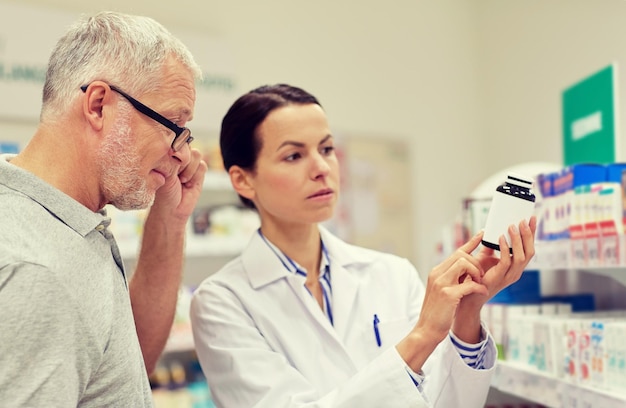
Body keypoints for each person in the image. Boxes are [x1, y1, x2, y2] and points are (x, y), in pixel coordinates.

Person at [190, 83, 537, 407]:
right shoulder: (222, 302)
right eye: (294, 156)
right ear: (243, 179)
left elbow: (443, 401)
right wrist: (422, 337)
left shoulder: (392, 273)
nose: (322, 168)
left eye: (326, 149)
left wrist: (467, 317)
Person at [0, 11, 207, 407]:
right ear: (98, 105)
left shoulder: (67, 222)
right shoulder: (36, 270)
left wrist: (171, 219)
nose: (181, 154)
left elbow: (125, 363)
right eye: (172, 126)